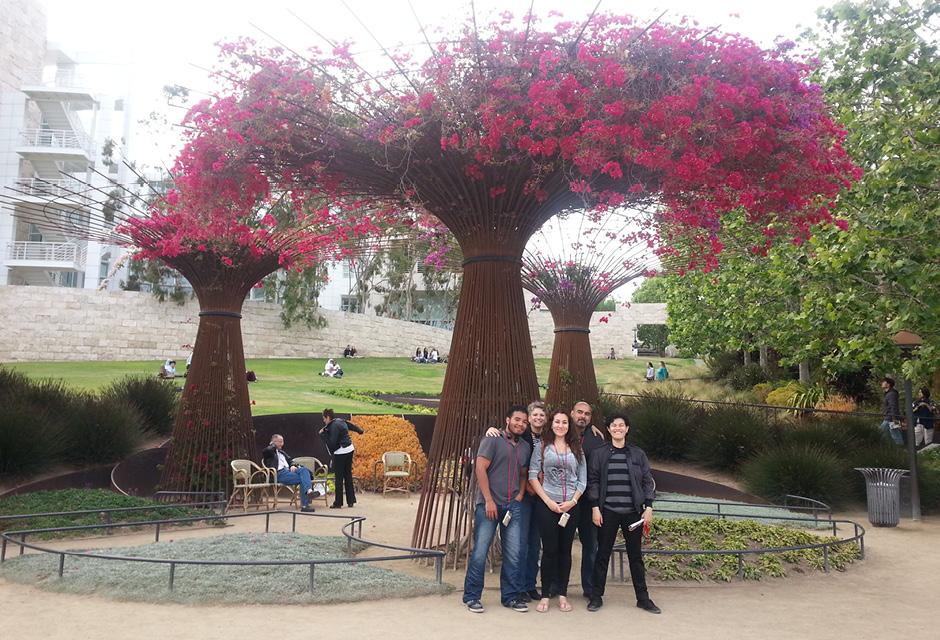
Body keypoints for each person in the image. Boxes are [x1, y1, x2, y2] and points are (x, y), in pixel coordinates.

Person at [586, 412, 659, 614]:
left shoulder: (638, 454)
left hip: (633, 513)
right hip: (607, 511)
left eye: (621, 425)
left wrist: (649, 506)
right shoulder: (599, 454)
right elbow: (592, 481)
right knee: (602, 554)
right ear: (608, 429)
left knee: (636, 556)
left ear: (627, 429)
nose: (617, 428)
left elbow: (647, 481)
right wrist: (594, 507)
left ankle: (643, 598)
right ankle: (596, 596)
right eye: (613, 425)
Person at [463, 405, 532, 614]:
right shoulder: (492, 440)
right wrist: (489, 500)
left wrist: (519, 496)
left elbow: (523, 474)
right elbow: (480, 468)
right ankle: (472, 596)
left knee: (513, 553)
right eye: (517, 420)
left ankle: (510, 597)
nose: (520, 424)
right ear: (507, 419)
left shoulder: (524, 448)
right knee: (480, 551)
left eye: (524, 422)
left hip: (513, 506)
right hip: (489, 505)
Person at [528, 408, 586, 613]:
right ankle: (544, 595)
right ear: (551, 425)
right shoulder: (543, 446)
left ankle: (562, 594)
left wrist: (573, 501)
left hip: (570, 507)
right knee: (550, 551)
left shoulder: (576, 448)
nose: (560, 425)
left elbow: (583, 479)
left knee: (565, 551)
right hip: (548, 505)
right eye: (557, 422)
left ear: (568, 426)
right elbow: (532, 475)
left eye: (564, 422)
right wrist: (547, 500)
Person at [571, 401, 606, 599]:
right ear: (572, 413)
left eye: (587, 414)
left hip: (588, 502)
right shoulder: (560, 432)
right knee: (561, 546)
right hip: (565, 501)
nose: (582, 416)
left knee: (591, 545)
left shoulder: (596, 440)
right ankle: (557, 587)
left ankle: (590, 588)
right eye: (579, 412)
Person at [261, 434, 319, 512]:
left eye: (283, 441)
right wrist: (272, 445)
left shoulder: (282, 452)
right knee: (303, 479)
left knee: (304, 470)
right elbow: (265, 451)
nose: (282, 444)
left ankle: (309, 491)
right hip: (280, 474)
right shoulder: (270, 453)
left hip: (289, 471)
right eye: (280, 442)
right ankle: (305, 505)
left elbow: (291, 461)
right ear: (273, 442)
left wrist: (292, 465)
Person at [320, 408, 364, 508]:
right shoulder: (340, 421)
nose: (324, 421)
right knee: (348, 475)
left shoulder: (333, 426)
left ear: (327, 417)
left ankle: (338, 503)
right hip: (350, 449)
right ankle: (351, 501)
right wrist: (359, 431)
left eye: (324, 419)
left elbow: (332, 444)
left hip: (341, 452)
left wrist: (322, 434)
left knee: (339, 477)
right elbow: (350, 425)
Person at [880, 377, 903, 445]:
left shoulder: (892, 394)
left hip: (891, 418)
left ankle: (900, 448)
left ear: (888, 384)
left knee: (881, 432)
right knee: (895, 433)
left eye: (883, 382)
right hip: (891, 417)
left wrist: (894, 419)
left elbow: (894, 407)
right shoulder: (889, 393)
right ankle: (895, 448)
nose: (882, 383)